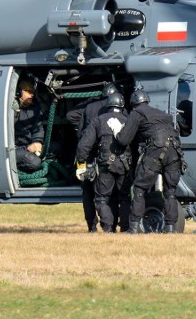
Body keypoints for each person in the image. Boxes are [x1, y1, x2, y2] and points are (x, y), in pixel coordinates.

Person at [117, 89, 184, 234]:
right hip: (174, 152)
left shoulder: (137, 113)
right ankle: (171, 229)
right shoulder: (163, 115)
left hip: (156, 151)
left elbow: (124, 139)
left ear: (133, 103)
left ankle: (134, 227)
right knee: (170, 192)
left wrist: (118, 133)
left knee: (139, 189)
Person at [67, 82, 121, 232]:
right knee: (110, 195)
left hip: (89, 155)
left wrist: (81, 161)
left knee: (88, 193)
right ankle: (111, 226)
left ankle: (92, 227)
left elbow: (80, 134)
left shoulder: (90, 107)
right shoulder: (119, 112)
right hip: (109, 156)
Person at [75, 93, 132, 233]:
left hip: (106, 164)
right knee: (124, 198)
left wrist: (81, 164)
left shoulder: (99, 120)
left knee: (101, 199)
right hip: (125, 165)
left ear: (108, 105)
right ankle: (125, 228)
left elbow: (84, 145)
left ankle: (107, 228)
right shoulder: (129, 120)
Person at [14, 79, 45, 172]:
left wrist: (37, 142)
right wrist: (15, 111)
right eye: (28, 92)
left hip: (28, 144)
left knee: (56, 148)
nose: (32, 95)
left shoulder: (34, 107)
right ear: (19, 93)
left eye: (33, 92)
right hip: (15, 148)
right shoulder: (9, 108)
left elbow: (38, 128)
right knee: (34, 162)